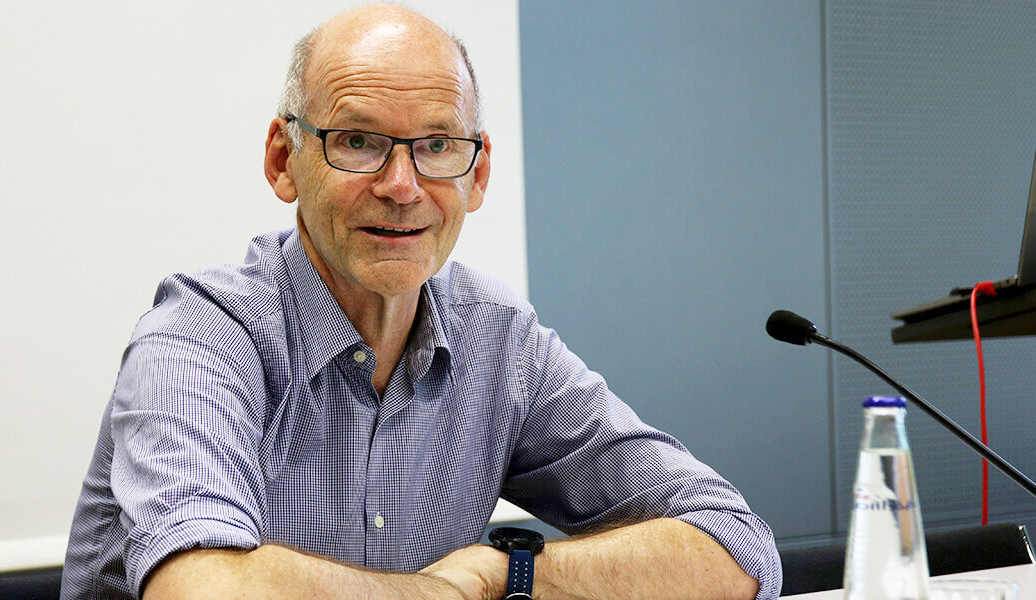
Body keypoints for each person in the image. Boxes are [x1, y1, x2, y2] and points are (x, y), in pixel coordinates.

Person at [62, 4, 781, 600]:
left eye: (437, 144)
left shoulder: (500, 341)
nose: (403, 185)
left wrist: (507, 573)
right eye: (358, 141)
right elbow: (200, 591)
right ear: (284, 161)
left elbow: (738, 549)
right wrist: (442, 594)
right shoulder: (200, 336)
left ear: (478, 173)